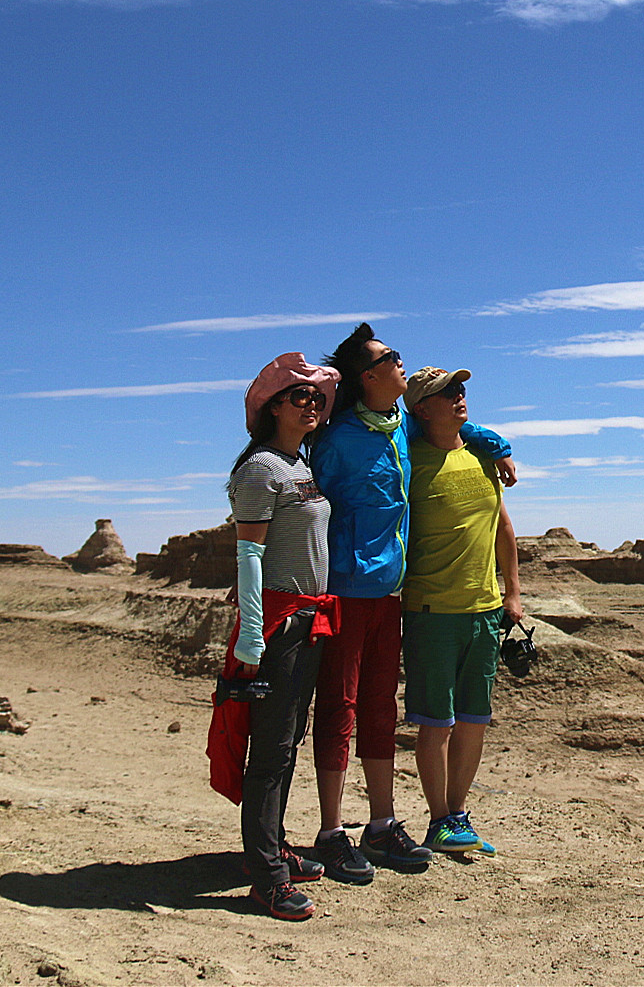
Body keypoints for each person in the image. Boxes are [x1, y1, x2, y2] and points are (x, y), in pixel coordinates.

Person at [307, 324, 516, 882]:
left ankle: (380, 824)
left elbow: (456, 429)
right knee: (339, 708)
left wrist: (498, 446)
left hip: (390, 595)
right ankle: (331, 831)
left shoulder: (400, 427)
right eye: (392, 358)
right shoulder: (335, 437)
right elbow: (308, 506)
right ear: (368, 377)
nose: (403, 362)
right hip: (343, 590)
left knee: (378, 708)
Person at [214, 353, 340, 921]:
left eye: (316, 397)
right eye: (298, 396)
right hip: (279, 622)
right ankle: (266, 878)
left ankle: (271, 849)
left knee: (287, 742)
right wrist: (251, 637)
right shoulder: (262, 468)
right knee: (269, 749)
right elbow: (248, 556)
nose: (311, 403)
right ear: (271, 407)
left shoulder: (298, 465)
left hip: (308, 618)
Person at [401, 365, 523, 856]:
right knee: (437, 722)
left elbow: (503, 530)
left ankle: (457, 815)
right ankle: (438, 820)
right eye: (446, 392)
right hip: (432, 610)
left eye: (462, 389)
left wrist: (512, 593)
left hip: (484, 609)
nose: (459, 397)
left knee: (475, 718)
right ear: (422, 408)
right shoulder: (409, 461)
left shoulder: (479, 456)